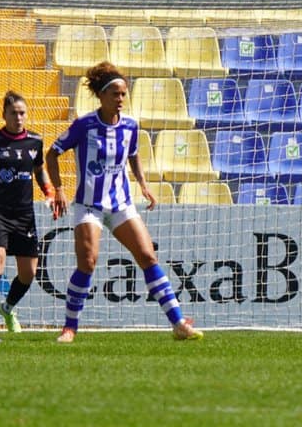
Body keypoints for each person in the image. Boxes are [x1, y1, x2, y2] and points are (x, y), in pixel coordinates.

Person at [45, 61, 200, 343]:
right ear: (102, 95)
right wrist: (58, 189)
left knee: (147, 256)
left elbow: (133, 154)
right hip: (89, 205)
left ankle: (178, 323)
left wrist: (143, 183)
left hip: (121, 204)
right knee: (87, 264)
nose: (120, 99)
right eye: (115, 94)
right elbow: (52, 153)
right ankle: (70, 327)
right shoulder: (84, 125)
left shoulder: (130, 125)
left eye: (123, 94)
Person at [0, 91, 51, 336]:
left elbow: (39, 171)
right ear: (3, 115)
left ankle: (9, 307)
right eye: (13, 113)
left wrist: (49, 192)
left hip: (24, 214)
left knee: (29, 273)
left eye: (22, 113)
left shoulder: (35, 142)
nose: (18, 117)